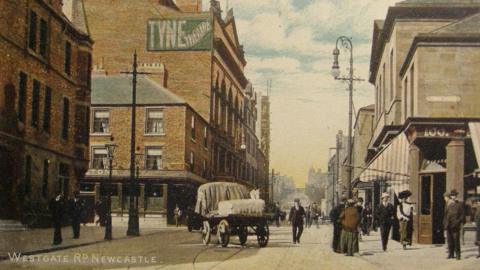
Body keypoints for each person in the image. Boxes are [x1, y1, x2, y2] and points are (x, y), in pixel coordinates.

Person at [443, 190, 465, 260]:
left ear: (456, 196)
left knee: (456, 240)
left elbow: (462, 216)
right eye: (452, 196)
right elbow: (445, 215)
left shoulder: (459, 204)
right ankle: (451, 254)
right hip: (448, 225)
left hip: (455, 225)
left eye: (454, 195)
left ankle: (458, 255)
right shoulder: (447, 204)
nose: (453, 197)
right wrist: (445, 224)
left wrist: (457, 222)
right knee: (449, 240)